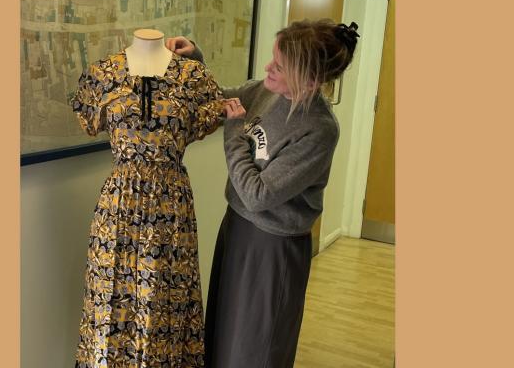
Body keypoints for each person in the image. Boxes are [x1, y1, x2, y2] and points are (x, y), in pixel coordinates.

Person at [165, 19, 360, 368]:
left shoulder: (318, 129)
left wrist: (233, 134)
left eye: (280, 66)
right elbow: (219, 98)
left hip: (273, 249)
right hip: (237, 229)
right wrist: (195, 59)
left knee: (256, 349)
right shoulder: (267, 91)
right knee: (223, 337)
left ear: (310, 80)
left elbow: (258, 195)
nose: (268, 67)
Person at [70, 29, 224, 367]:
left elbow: (212, 112)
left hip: (172, 206)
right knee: (112, 297)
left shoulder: (193, 77)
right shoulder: (102, 75)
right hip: (118, 206)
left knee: (165, 298)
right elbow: (89, 119)